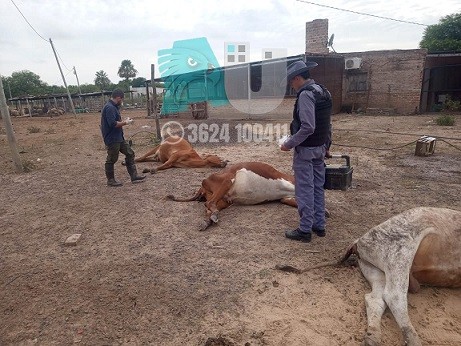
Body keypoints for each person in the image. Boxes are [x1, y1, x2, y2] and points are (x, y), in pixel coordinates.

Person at [280, 60, 332, 242]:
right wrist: (327, 146)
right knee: (318, 187)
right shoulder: (323, 92)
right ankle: (319, 225)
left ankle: (304, 230)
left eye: (291, 81)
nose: (291, 86)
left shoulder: (305, 95)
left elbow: (308, 127)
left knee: (304, 190)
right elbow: (327, 124)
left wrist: (289, 143)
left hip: (306, 150)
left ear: (297, 78)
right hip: (319, 148)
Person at [100, 89, 146, 186]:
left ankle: (134, 176)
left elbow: (116, 121)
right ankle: (110, 180)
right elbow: (113, 124)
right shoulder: (110, 108)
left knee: (130, 153)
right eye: (122, 99)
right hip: (112, 138)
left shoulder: (114, 107)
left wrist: (124, 121)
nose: (122, 101)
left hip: (119, 137)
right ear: (118, 98)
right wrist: (126, 123)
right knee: (112, 159)